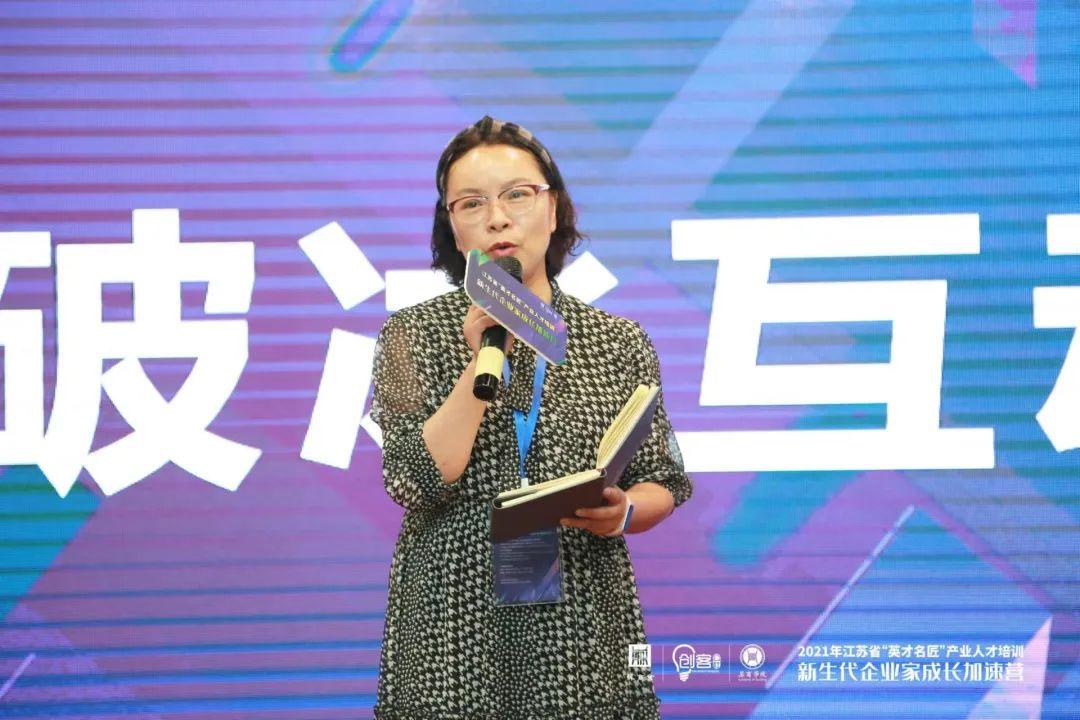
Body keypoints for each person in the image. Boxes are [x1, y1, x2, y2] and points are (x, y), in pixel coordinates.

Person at [371, 116, 692, 720]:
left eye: (517, 194)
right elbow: (413, 479)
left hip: (581, 607)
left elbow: (664, 481)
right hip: (452, 614)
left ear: (553, 208)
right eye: (471, 203)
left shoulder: (618, 341)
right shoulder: (411, 334)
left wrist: (622, 511)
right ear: (451, 226)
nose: (497, 218)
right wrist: (480, 364)